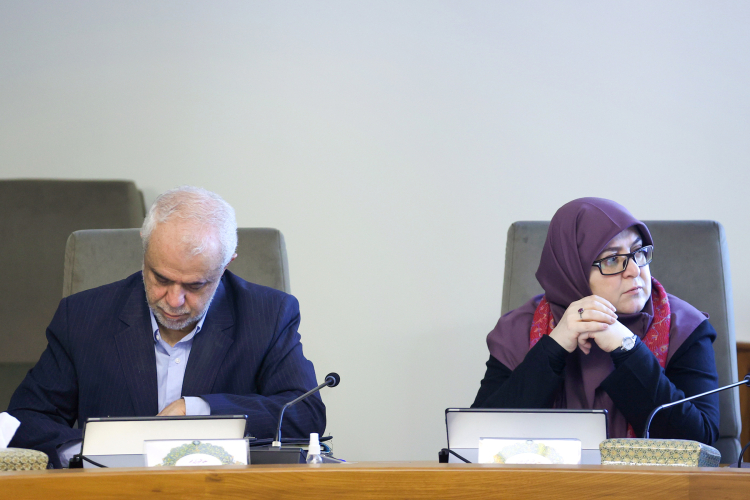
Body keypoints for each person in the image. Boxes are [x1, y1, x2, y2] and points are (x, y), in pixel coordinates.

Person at [7, 186, 325, 467]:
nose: (174, 300)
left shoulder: (268, 314)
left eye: (195, 285)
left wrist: (200, 411)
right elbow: (26, 419)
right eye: (161, 278)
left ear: (226, 264)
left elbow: (305, 413)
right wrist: (91, 453)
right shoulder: (82, 316)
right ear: (144, 246)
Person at [472, 198, 719, 443]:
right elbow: (477, 438)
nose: (634, 270)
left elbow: (700, 443)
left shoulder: (684, 328)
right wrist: (553, 346)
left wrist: (628, 349)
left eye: (639, 252)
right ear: (572, 271)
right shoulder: (519, 329)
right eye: (612, 259)